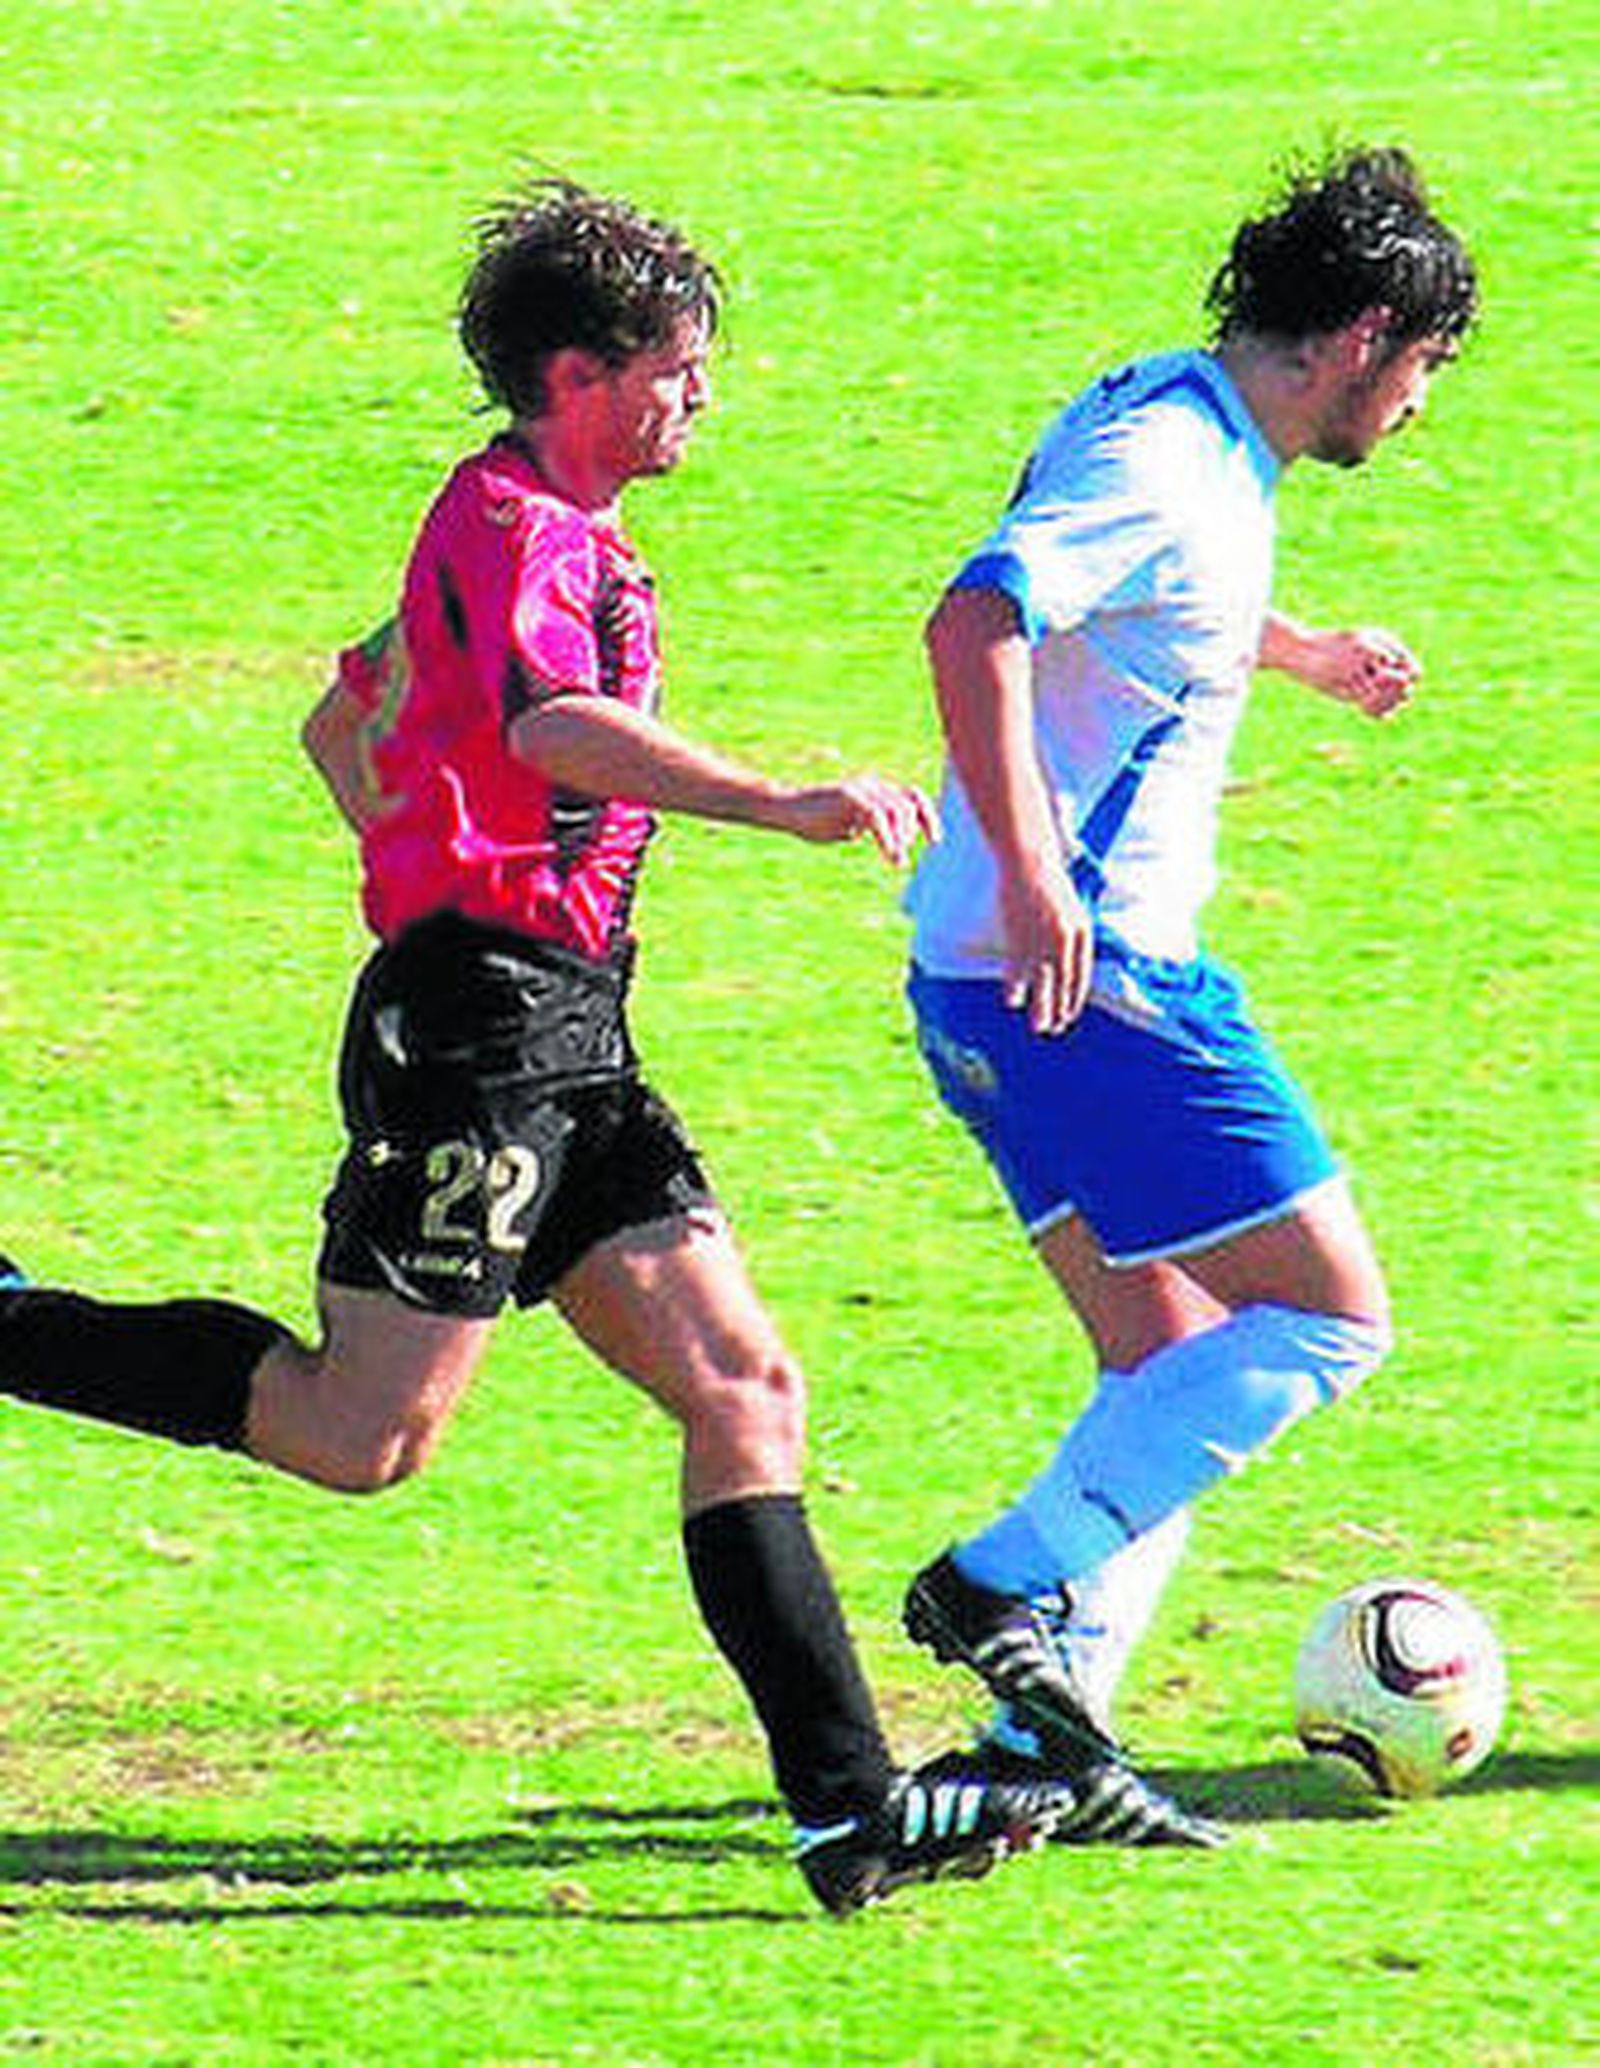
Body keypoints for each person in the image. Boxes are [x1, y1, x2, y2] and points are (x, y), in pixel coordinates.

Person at [0, 178, 1065, 1914]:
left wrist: (417, 861)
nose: (701, 396)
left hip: (560, 1024)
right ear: (580, 374)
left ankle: (848, 1811)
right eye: (677, 367)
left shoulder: (531, 529)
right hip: (489, 1037)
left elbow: (345, 714)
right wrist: (766, 806)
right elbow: (550, 725)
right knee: (364, 1437)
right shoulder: (519, 531)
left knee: (744, 1386)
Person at [897, 146, 1479, 1843]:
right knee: (1328, 1315)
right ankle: (1000, 1585)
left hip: (980, 987)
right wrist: (1032, 873)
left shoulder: (1171, 416)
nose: (1418, 407)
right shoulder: (1168, 460)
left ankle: (1038, 1748)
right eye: (1424, 368)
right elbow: (977, 621)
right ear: (1366, 333)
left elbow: (1140, 597)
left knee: (1167, 1348)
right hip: (1098, 979)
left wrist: (1296, 653)